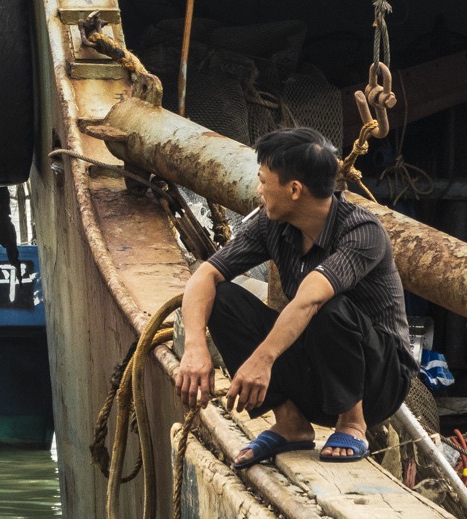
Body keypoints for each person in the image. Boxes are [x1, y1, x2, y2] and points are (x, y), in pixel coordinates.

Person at [174, 127, 412, 466]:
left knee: (329, 306)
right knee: (223, 298)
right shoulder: (272, 224)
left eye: (263, 181)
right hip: (317, 373)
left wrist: (262, 359)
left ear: (294, 189)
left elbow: (311, 299)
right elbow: (205, 276)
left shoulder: (362, 231)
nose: (258, 190)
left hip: (378, 383)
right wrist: (196, 346)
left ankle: (352, 423)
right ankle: (291, 424)